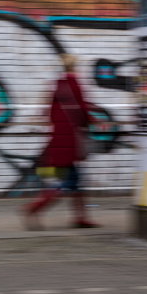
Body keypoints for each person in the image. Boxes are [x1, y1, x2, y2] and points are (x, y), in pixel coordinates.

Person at [22, 54, 99, 230]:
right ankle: (32, 209)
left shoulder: (57, 86)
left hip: (57, 142)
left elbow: (49, 114)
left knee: (76, 183)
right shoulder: (76, 85)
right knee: (60, 185)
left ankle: (80, 217)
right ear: (74, 67)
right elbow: (83, 111)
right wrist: (92, 121)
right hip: (70, 144)